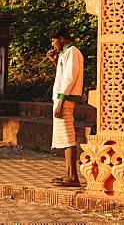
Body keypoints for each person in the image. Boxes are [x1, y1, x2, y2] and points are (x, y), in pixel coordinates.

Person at [46, 25, 85, 187]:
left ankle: (73, 176)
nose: (53, 44)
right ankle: (68, 173)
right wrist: (55, 62)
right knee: (63, 137)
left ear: (62, 39)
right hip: (61, 98)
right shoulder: (65, 54)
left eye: (54, 40)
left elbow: (69, 78)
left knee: (68, 137)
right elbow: (63, 75)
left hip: (66, 99)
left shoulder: (72, 52)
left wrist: (61, 102)